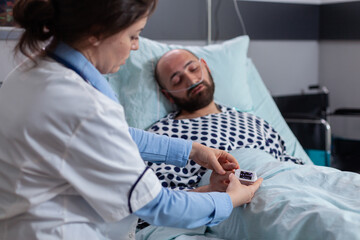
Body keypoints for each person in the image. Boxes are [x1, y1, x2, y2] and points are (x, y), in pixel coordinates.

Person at [0, 1, 262, 239]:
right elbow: (158, 206)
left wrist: (193, 150)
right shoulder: (84, 105)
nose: (136, 45)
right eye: (133, 35)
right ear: (96, 33)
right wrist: (231, 200)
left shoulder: (28, 72)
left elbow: (112, 135)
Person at [147, 48, 304, 192]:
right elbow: (158, 200)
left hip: (292, 182)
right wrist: (212, 190)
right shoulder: (161, 137)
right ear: (168, 95)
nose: (191, 80)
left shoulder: (253, 121)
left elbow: (290, 164)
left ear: (206, 67)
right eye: (177, 80)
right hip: (235, 202)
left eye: (194, 69)